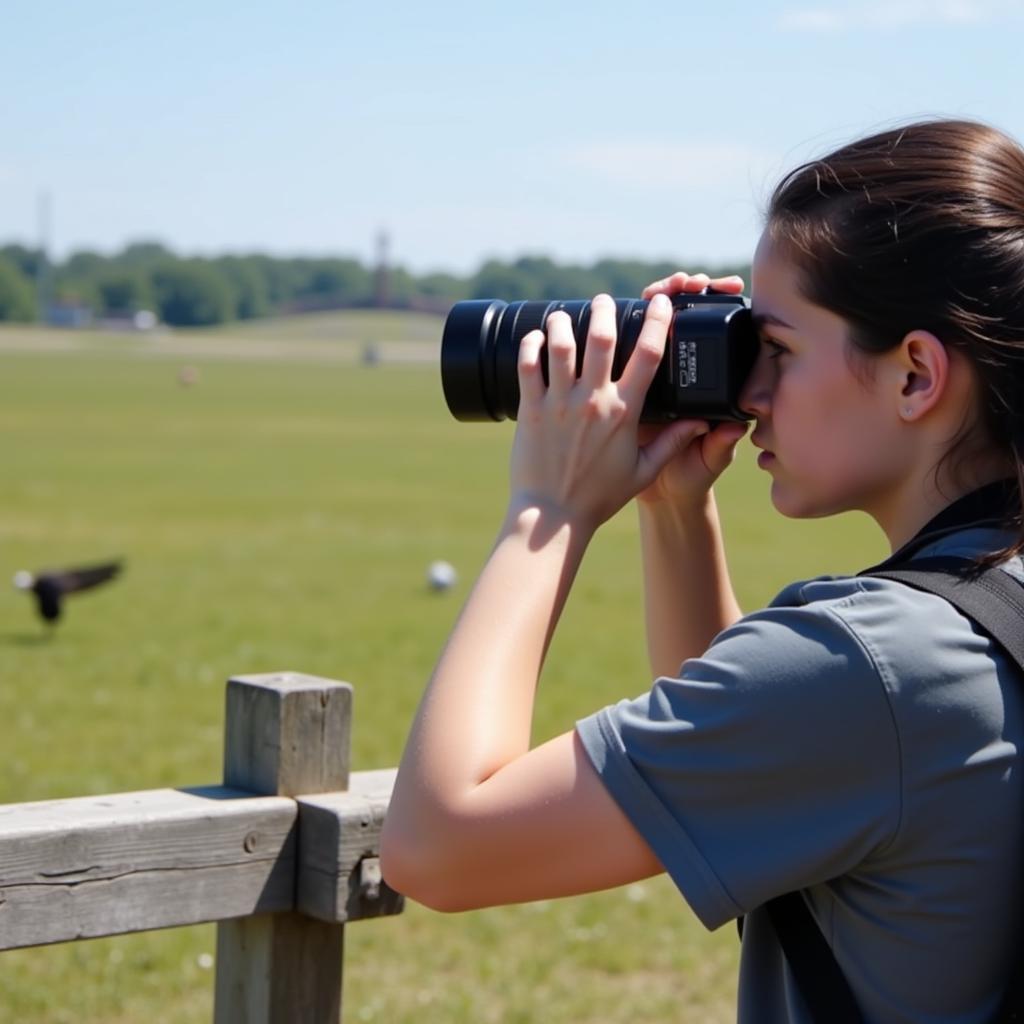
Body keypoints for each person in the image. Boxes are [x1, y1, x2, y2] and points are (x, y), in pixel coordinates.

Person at [379, 118, 1024, 1022]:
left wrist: (549, 510)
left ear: (916, 374)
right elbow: (766, 758)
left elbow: (437, 848)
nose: (750, 393)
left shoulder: (878, 665)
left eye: (782, 351)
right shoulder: (971, 626)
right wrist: (678, 507)